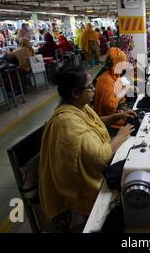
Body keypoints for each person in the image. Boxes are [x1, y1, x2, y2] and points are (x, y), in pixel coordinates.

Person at [39, 67, 135, 231]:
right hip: (79, 191)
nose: (93, 89)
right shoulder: (66, 122)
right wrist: (120, 136)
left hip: (92, 163)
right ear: (76, 92)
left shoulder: (79, 106)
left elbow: (95, 122)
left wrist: (117, 116)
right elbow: (99, 156)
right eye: (90, 87)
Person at [93, 47, 130, 122]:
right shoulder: (106, 80)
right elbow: (111, 106)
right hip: (109, 120)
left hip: (119, 111)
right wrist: (124, 91)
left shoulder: (113, 74)